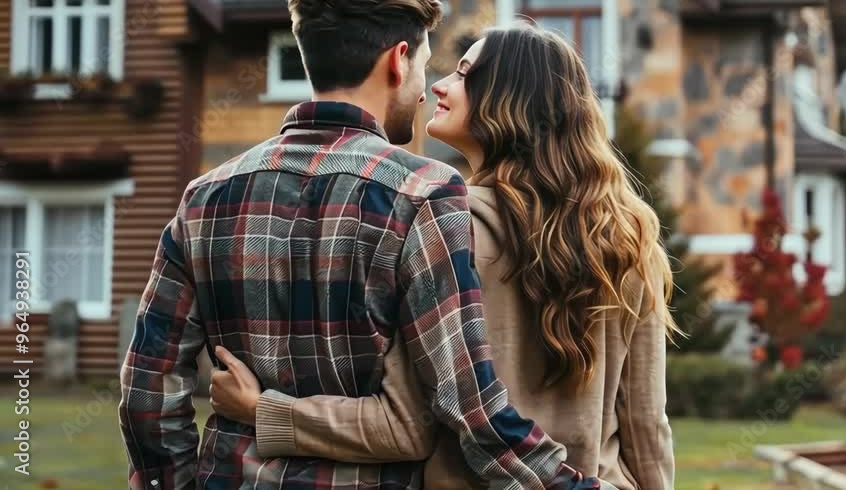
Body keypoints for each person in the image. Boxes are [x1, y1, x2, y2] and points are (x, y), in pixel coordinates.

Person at [118, 0, 603, 490]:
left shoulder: (203, 197)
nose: (425, 91)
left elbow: (147, 392)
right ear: (398, 60)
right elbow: (470, 406)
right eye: (422, 67)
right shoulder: (424, 193)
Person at [209, 25, 680, 490]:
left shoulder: (444, 226)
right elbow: (646, 424)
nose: (438, 83)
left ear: (508, 98)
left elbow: (402, 425)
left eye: (463, 73)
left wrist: (263, 410)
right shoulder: (625, 234)